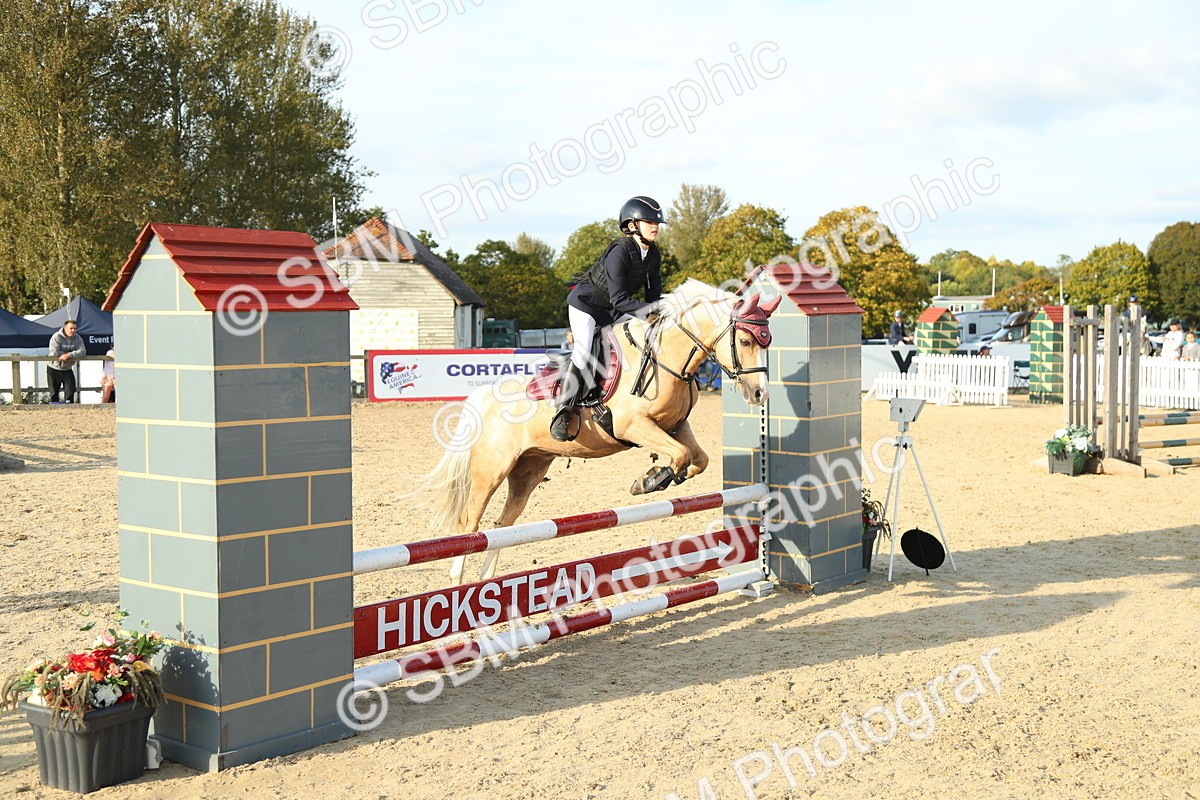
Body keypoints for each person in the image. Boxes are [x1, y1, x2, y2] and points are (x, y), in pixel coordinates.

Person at [553, 195, 665, 441]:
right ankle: (563, 409)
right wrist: (648, 312)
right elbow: (620, 299)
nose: (655, 226)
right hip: (587, 306)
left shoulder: (654, 255)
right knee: (583, 351)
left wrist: (662, 310)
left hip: (614, 309)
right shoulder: (620, 251)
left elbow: (653, 297)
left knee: (646, 334)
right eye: (648, 221)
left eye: (656, 222)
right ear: (632, 225)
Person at [47, 319, 86, 403]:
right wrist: (68, 354)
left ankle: (69, 410)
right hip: (54, 368)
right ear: (65, 328)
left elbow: (82, 351)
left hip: (67, 368)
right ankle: (54, 411)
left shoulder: (77, 338)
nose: (73, 331)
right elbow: (54, 352)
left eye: (75, 329)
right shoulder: (56, 337)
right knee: (54, 393)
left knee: (71, 391)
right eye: (71, 328)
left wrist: (68, 355)